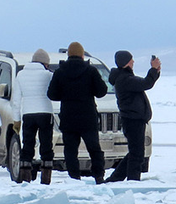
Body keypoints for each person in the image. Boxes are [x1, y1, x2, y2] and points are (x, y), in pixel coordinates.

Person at [46, 41, 108, 183]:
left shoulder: (60, 72)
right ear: (82, 55)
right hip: (88, 117)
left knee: (70, 150)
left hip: (68, 117)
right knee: (94, 148)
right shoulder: (91, 71)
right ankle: (98, 175)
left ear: (68, 55)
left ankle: (74, 177)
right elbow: (101, 92)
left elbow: (52, 95)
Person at [105, 51, 161, 182]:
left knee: (135, 153)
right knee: (137, 154)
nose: (133, 62)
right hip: (132, 120)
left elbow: (145, 83)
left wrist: (155, 72)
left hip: (133, 119)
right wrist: (153, 69)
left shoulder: (124, 77)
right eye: (131, 60)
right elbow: (146, 83)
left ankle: (115, 179)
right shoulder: (125, 79)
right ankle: (132, 181)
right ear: (126, 63)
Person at [16, 48, 56, 184]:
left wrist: (17, 120)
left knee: (27, 145)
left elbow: (16, 101)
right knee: (46, 146)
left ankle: (25, 177)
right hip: (45, 113)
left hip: (28, 114)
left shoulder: (20, 75)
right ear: (46, 63)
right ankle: (46, 179)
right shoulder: (48, 75)